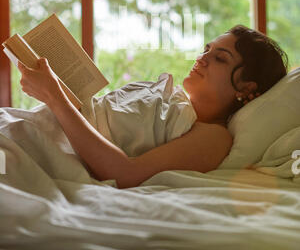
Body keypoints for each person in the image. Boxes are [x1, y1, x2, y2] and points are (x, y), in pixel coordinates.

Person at [17, 24, 288, 189]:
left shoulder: (213, 137)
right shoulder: (171, 96)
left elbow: (125, 173)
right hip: (32, 126)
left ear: (247, 87)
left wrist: (54, 96)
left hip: (42, 147)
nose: (201, 58)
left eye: (219, 58)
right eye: (206, 49)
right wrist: (54, 90)